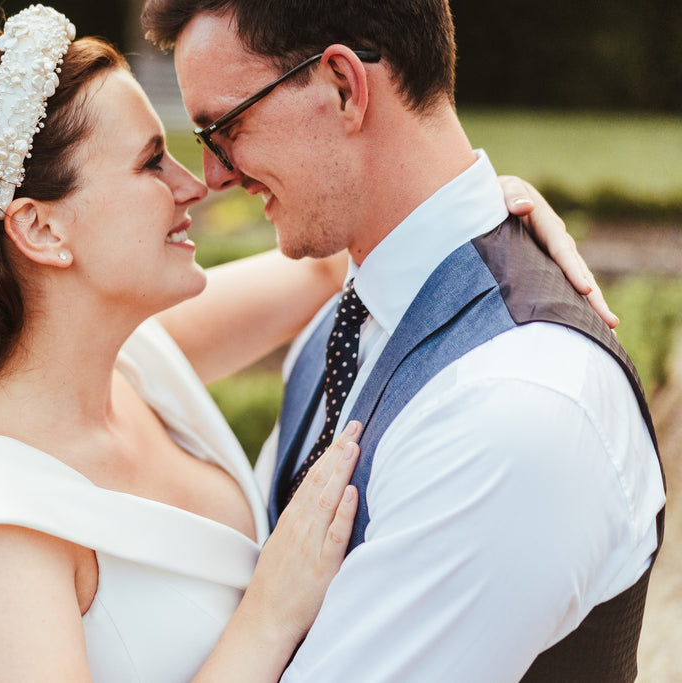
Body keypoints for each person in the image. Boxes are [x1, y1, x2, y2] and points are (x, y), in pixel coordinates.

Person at [0, 5, 615, 682]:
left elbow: (360, 237)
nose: (195, 182)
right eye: (150, 161)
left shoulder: (128, 366)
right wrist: (266, 618)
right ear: (42, 227)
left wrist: (493, 207)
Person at [142, 0, 666, 681]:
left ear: (341, 87)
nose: (213, 175)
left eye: (225, 127)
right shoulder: (341, 318)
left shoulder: (515, 411)